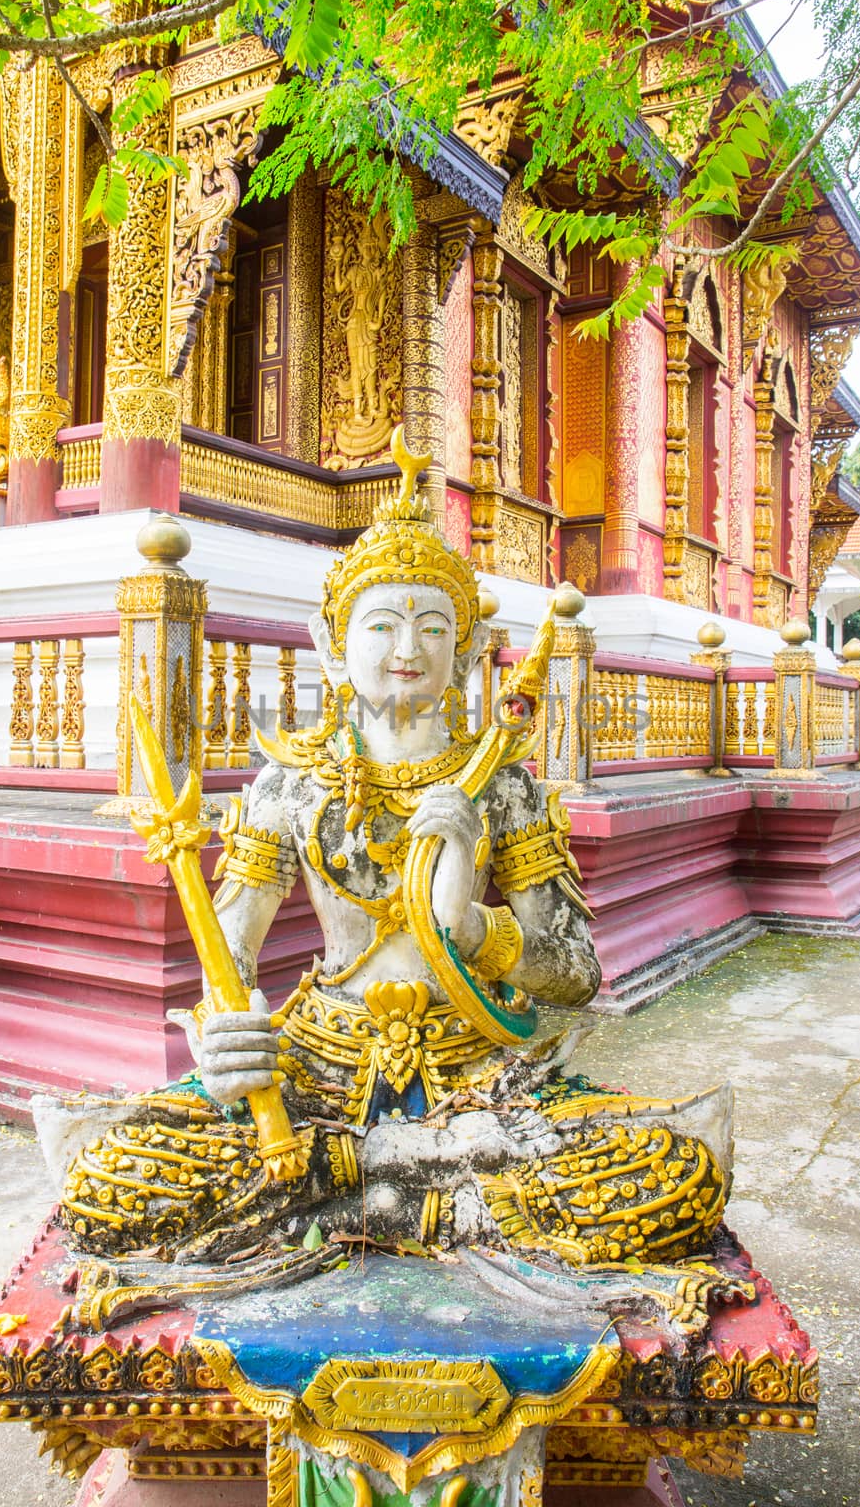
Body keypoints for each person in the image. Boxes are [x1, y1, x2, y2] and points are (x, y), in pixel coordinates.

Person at [55, 431, 727, 1268]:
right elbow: (226, 959)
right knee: (106, 1181)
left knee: (673, 1178)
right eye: (381, 625)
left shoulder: (501, 787)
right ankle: (429, 1197)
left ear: (468, 650)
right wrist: (220, 1044)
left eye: (432, 628)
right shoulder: (287, 786)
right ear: (333, 644)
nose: (407, 651)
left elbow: (576, 975)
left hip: (476, 1077)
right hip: (318, 1070)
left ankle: (353, 1196)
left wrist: (467, 925)